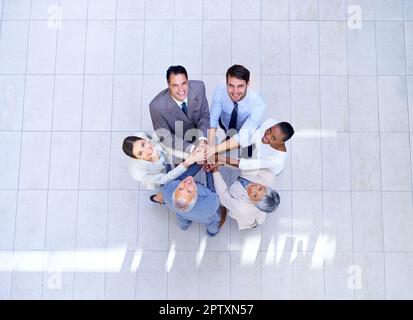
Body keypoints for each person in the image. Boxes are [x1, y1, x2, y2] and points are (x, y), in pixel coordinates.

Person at [122, 132, 206, 204]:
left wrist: (190, 156)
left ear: (144, 139)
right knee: (174, 184)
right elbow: (165, 178)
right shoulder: (139, 173)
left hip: (165, 158)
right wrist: (188, 162)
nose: (147, 151)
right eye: (140, 153)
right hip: (158, 176)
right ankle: (161, 197)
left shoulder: (141, 135)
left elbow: (166, 148)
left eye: (143, 144)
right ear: (136, 158)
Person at [207, 64, 266, 157]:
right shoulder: (220, 91)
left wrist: (212, 150)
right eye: (231, 85)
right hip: (227, 124)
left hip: (248, 131)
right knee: (229, 134)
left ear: (248, 84)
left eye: (240, 86)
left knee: (247, 143)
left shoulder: (258, 105)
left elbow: (242, 137)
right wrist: (209, 146)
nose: (235, 91)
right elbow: (213, 119)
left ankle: (247, 149)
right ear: (226, 83)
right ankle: (228, 139)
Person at [149, 65, 210, 155]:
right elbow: (166, 137)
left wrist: (202, 140)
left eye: (184, 83)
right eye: (175, 85)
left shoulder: (199, 87)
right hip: (177, 143)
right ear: (168, 85)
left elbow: (204, 116)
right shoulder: (156, 107)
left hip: (199, 134)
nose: (181, 89)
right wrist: (192, 149)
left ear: (187, 81)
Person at [207, 118, 294, 177]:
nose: (267, 136)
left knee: (249, 174)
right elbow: (247, 139)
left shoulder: (277, 159)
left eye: (273, 138)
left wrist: (219, 160)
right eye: (269, 130)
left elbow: (246, 165)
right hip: (255, 155)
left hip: (266, 172)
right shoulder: (270, 122)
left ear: (281, 142)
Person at [210, 165, 280, 230]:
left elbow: (223, 194)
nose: (252, 188)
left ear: (254, 203)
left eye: (254, 195)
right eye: (260, 188)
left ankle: (253, 224)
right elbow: (249, 164)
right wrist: (223, 163)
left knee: (245, 217)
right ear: (266, 186)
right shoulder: (269, 177)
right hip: (257, 210)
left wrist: (215, 170)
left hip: (246, 215)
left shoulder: (240, 207)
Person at [163, 165, 226, 237]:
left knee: (181, 218)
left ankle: (183, 226)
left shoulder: (167, 190)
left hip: (181, 213)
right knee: (214, 221)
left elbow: (180, 178)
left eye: (180, 188)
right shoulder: (211, 203)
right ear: (196, 194)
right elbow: (211, 187)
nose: (186, 184)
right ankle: (211, 232)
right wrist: (209, 170)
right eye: (189, 191)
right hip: (204, 216)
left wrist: (198, 164)